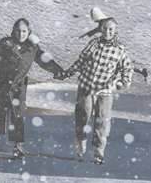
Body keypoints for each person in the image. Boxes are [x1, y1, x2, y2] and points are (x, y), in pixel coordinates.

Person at [0, 18, 64, 160]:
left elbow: (45, 61)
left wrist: (57, 70)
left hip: (18, 87)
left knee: (18, 115)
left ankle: (17, 146)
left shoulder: (32, 48)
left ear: (29, 32)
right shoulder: (5, 44)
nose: (21, 34)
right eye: (18, 31)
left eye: (24, 31)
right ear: (13, 31)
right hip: (0, 84)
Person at [57, 9, 133, 165]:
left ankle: (99, 150)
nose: (107, 32)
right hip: (86, 86)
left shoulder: (119, 49)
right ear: (100, 29)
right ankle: (80, 139)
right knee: (83, 115)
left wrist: (122, 82)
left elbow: (127, 68)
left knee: (102, 120)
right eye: (104, 28)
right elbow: (81, 61)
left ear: (115, 29)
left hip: (105, 90)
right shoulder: (93, 44)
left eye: (111, 29)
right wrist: (68, 72)